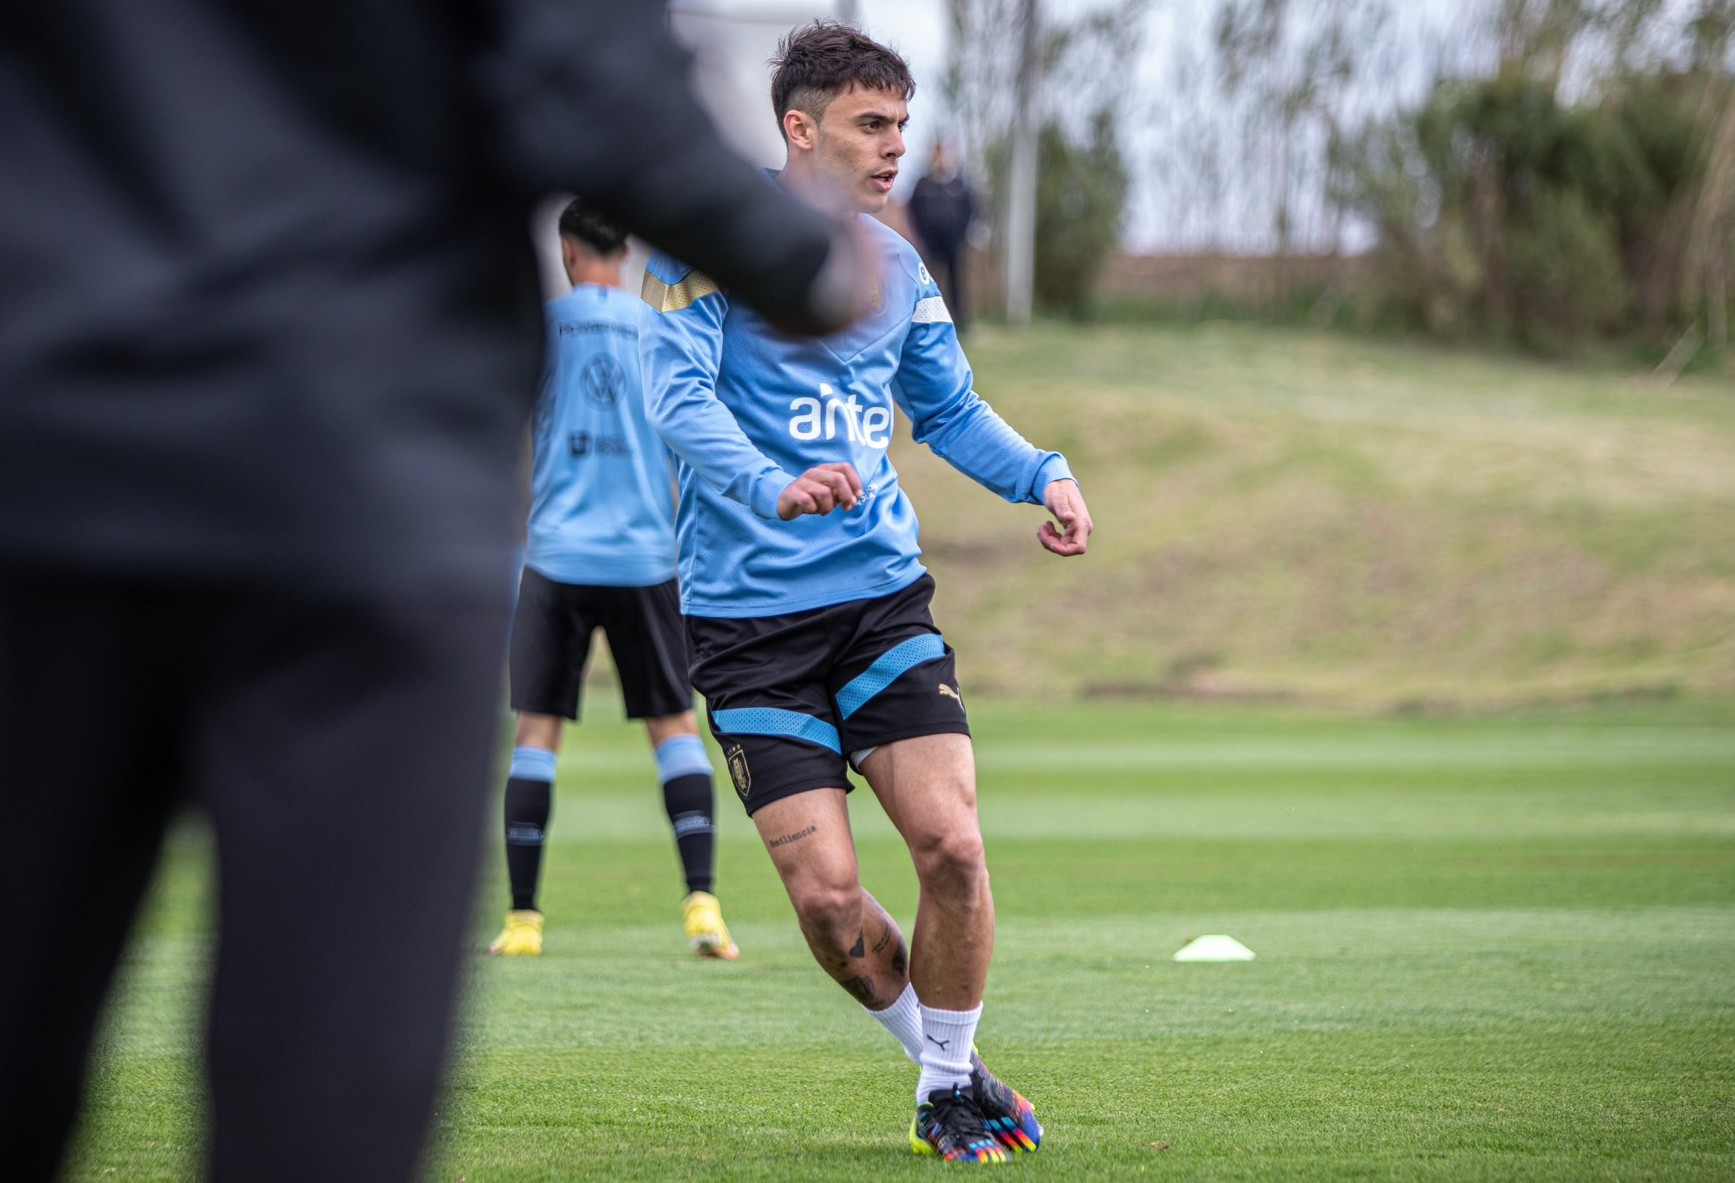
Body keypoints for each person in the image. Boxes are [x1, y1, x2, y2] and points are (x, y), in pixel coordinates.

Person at [0, 3, 871, 1181]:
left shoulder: (585, 324)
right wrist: (804, 254)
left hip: (43, 450)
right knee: (322, 1102)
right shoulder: (632, 327)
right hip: (354, 481)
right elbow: (587, 79)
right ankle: (695, 900)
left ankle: (552, 906)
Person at [639, 20, 1094, 1166]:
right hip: (746, 634)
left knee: (951, 846)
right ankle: (948, 1064)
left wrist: (1043, 472)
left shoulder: (896, 266)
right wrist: (771, 483)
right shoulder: (700, 249)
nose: (897, 146)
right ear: (800, 129)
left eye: (902, 122)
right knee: (832, 905)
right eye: (870, 124)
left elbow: (945, 411)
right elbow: (678, 403)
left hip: (881, 605)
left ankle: (946, 1083)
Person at [491, 200, 736, 961]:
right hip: (644, 558)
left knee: (536, 732)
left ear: (567, 251)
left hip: (556, 554)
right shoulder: (656, 328)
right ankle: (702, 907)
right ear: (625, 251)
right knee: (674, 727)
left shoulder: (542, 327)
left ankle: (523, 922)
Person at [906, 140, 979, 334]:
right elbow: (913, 210)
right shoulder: (923, 184)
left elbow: (971, 209)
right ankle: (926, 321)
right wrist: (921, 236)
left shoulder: (959, 185)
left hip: (954, 242)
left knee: (957, 283)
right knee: (928, 281)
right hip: (929, 243)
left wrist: (962, 235)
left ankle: (961, 322)